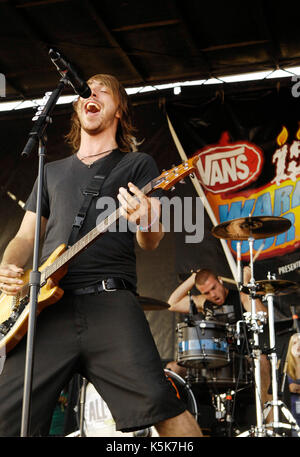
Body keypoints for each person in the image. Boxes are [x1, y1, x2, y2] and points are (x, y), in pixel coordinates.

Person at [0, 74, 202, 437]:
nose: (89, 95)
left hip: (111, 303)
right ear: (78, 109)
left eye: (102, 90)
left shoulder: (138, 164)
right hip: (45, 309)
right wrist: (8, 263)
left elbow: (151, 240)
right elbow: (25, 236)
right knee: (7, 416)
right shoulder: (51, 171)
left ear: (119, 111)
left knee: (163, 406)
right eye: (84, 93)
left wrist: (145, 219)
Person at [166, 268, 272, 420]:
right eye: (207, 292)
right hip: (211, 358)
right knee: (173, 368)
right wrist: (193, 277)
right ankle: (180, 422)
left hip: (239, 358)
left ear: (221, 281)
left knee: (262, 360)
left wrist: (247, 286)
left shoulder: (241, 296)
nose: (213, 295)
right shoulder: (203, 302)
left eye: (214, 288)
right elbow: (171, 304)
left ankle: (268, 421)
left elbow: (262, 317)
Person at [285, 333, 300, 436]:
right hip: (293, 413)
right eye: (295, 343)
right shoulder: (285, 366)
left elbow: (295, 388)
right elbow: (291, 388)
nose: (298, 345)